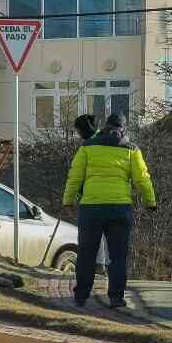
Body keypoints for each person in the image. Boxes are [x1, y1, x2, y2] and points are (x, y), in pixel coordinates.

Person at [61, 113, 157, 308]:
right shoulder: (132, 149)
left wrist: (68, 200)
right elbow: (142, 179)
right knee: (118, 255)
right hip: (119, 209)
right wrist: (150, 201)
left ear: (106, 126)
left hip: (91, 208)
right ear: (123, 128)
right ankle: (116, 297)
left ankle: (81, 295)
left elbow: (75, 176)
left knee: (87, 253)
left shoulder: (88, 147)